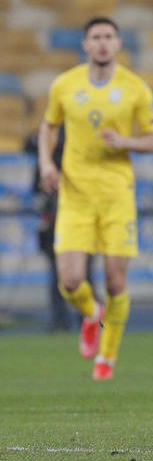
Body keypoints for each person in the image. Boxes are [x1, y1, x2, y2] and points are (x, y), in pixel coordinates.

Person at [38, 17, 153, 380]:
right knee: (71, 281)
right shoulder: (65, 85)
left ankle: (106, 359)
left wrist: (126, 142)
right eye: (96, 37)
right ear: (85, 44)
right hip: (75, 194)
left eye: (109, 36)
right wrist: (47, 163)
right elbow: (49, 126)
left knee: (115, 282)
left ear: (119, 43)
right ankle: (92, 313)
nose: (103, 43)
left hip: (116, 195)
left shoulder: (136, 88)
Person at [24, 126, 73, 332]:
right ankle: (60, 318)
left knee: (79, 272)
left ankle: (87, 318)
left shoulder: (68, 137)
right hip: (53, 218)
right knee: (57, 272)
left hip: (76, 213)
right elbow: (27, 144)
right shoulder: (47, 137)